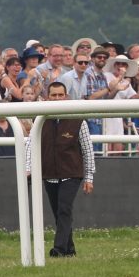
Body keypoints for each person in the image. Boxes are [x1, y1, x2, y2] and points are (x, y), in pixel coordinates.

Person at [40, 82, 96, 258]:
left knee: (64, 209)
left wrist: (89, 177)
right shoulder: (39, 120)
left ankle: (58, 249)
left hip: (72, 174)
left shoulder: (78, 121)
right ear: (47, 97)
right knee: (59, 213)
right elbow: (30, 145)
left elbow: (87, 150)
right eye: (53, 95)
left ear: (66, 96)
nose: (57, 98)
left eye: (60, 95)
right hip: (49, 174)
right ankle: (70, 249)